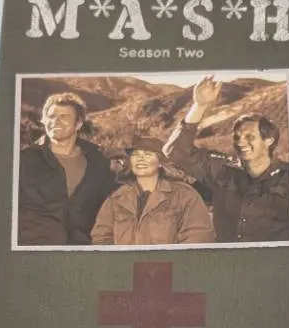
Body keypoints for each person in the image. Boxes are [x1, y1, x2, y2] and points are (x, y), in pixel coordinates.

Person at [163, 76, 289, 243]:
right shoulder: (222, 170)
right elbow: (175, 151)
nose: (241, 142)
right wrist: (199, 106)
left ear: (269, 140)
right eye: (237, 137)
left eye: (250, 137)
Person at [14, 91, 115, 247]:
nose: (56, 121)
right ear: (43, 120)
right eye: (51, 116)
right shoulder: (24, 161)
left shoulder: (98, 161)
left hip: (82, 248)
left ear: (78, 124)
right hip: (35, 248)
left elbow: (108, 204)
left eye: (64, 117)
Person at [88, 136, 214, 246]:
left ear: (160, 162)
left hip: (169, 266)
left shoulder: (184, 195)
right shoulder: (116, 199)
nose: (140, 159)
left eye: (147, 154)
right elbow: (101, 238)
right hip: (125, 266)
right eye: (135, 155)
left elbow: (198, 237)